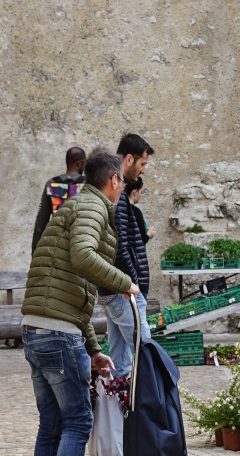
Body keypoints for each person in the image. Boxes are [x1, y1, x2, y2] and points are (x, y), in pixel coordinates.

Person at [21, 147, 140, 456]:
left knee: (52, 427)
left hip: (38, 328)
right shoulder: (91, 208)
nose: (123, 187)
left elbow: (75, 289)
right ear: (113, 181)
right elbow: (84, 257)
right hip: (56, 333)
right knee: (77, 422)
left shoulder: (74, 207)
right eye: (122, 180)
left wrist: (91, 348)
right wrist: (125, 282)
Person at [98, 133, 154, 379]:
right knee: (146, 358)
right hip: (123, 291)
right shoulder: (116, 191)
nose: (143, 171)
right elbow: (119, 247)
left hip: (114, 290)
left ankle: (122, 415)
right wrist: (132, 285)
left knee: (121, 366)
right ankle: (149, 414)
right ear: (129, 159)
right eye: (142, 164)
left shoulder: (113, 188)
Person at [32, 146, 86, 251]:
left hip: (56, 244)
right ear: (79, 163)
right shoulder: (88, 184)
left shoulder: (51, 184)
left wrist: (35, 252)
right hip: (81, 244)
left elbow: (41, 222)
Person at [126, 177, 150, 245]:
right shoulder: (136, 212)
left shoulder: (120, 208)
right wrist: (149, 234)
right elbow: (142, 239)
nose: (141, 195)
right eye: (141, 192)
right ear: (135, 192)